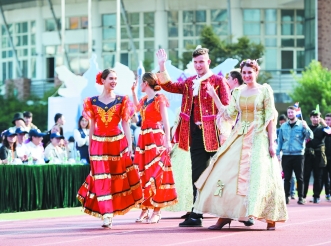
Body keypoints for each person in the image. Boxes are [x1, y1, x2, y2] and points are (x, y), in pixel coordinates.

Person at [192, 59, 287, 231]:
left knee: (260, 175)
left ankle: (270, 217)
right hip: (240, 135)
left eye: (250, 72)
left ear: (256, 72)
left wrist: (272, 142)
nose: (246, 76)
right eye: (244, 73)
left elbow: (270, 119)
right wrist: (214, 96)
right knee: (226, 172)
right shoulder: (237, 91)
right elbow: (229, 114)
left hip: (258, 136)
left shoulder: (265, 91)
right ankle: (225, 215)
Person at [156, 47, 230, 227]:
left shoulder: (219, 81)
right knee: (197, 175)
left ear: (208, 62)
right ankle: (196, 214)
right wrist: (162, 65)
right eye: (195, 62)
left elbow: (229, 109)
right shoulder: (189, 83)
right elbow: (169, 86)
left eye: (201, 62)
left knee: (224, 174)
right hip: (195, 135)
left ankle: (232, 211)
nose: (198, 65)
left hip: (217, 136)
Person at [77, 69, 143, 228]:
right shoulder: (91, 102)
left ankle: (111, 211)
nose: (114, 81)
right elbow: (92, 127)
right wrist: (91, 146)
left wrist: (129, 146)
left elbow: (126, 124)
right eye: (111, 78)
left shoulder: (122, 100)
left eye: (116, 79)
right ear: (103, 80)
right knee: (101, 178)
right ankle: (106, 214)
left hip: (117, 144)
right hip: (99, 144)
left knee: (117, 178)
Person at [131, 72, 177, 224]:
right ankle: (145, 208)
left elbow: (166, 120)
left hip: (155, 137)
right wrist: (133, 92)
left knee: (156, 172)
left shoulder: (159, 98)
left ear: (145, 83)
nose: (140, 86)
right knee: (142, 173)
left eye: (141, 84)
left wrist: (168, 140)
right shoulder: (145, 100)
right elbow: (137, 110)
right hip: (144, 138)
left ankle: (157, 210)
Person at [277, 106, 313, 205]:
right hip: (286, 155)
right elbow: (280, 141)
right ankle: (286, 196)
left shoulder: (302, 124)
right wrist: (277, 154)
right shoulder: (283, 126)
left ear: (295, 113)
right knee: (287, 178)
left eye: (292, 112)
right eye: (288, 113)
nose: (290, 114)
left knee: (299, 177)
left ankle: (301, 197)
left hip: (298, 155)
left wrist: (307, 128)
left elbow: (310, 136)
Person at [164, 109, 193, 218]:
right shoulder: (181, 109)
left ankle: (192, 208)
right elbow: (176, 126)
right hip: (183, 145)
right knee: (182, 176)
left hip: (189, 144)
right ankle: (190, 208)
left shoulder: (182, 109)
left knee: (186, 176)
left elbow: (176, 127)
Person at [303, 110, 328, 204]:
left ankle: (316, 196)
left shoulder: (322, 128)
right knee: (305, 176)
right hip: (307, 154)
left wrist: (324, 123)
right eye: (313, 117)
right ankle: (303, 196)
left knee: (318, 176)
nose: (315, 119)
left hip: (318, 155)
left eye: (317, 117)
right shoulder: (307, 127)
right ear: (310, 118)